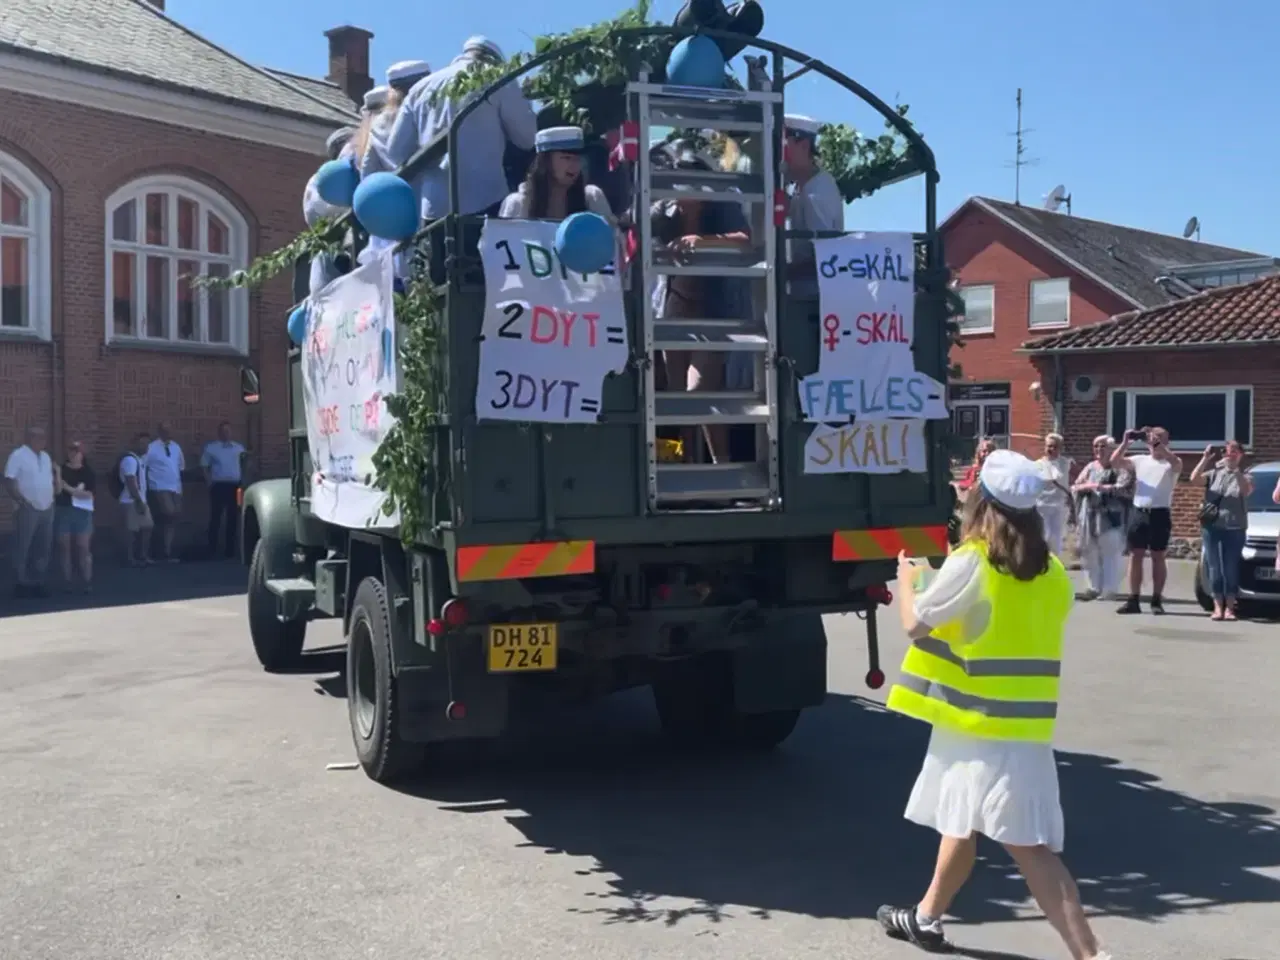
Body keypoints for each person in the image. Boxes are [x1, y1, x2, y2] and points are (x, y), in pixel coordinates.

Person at [877, 449, 1110, 960]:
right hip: (1019, 727)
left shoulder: (972, 562)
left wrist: (910, 579)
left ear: (978, 499)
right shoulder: (1051, 573)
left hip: (978, 726)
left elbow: (917, 625)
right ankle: (925, 918)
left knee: (1028, 848)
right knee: (961, 821)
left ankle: (1093, 956)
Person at [650, 139, 753, 464]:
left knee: (701, 392)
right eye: (677, 179)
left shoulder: (722, 206)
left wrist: (704, 241)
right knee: (679, 396)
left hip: (715, 307)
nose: (684, 186)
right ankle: (691, 476)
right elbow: (636, 234)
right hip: (676, 304)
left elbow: (746, 240)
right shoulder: (662, 211)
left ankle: (722, 468)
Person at [386, 36, 538, 220]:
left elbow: (395, 152)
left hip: (435, 208)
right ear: (495, 60)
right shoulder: (497, 78)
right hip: (486, 201)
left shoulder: (420, 88)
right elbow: (527, 138)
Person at [1110, 426, 1181, 615]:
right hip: (1139, 511)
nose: (1155, 441)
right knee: (1136, 555)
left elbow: (1176, 464)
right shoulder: (1140, 460)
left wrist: (1160, 446)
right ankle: (1133, 599)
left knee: (1158, 556)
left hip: (1160, 513)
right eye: (1153, 437)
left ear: (1167, 441)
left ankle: (1156, 599)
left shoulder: (1170, 463)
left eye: (1160, 438)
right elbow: (1115, 462)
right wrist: (1125, 442)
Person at [781, 114, 845, 293]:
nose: (781, 155)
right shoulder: (802, 186)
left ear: (804, 145)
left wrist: (783, 271)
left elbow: (823, 255)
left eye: (785, 145)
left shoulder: (818, 191)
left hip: (815, 296)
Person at [1190, 440, 1252, 621]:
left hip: (1235, 528)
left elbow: (1245, 491)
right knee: (1214, 566)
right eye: (1227, 452)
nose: (1230, 455)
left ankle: (1230, 608)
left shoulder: (1246, 476)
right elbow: (1194, 480)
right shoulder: (1214, 474)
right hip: (1212, 527)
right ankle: (1217, 606)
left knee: (1230, 567)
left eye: (1234, 452)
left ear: (1241, 455)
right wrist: (1205, 459)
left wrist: (1235, 471)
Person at [498, 126, 614, 220]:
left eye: (577, 159)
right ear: (546, 162)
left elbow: (611, 242)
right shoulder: (518, 204)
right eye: (566, 158)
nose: (574, 165)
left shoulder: (592, 199)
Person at [1071, 435, 1130, 601]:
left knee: (1110, 553)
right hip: (1089, 515)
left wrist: (1100, 487)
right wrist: (1086, 487)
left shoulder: (1120, 467)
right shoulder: (1091, 467)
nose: (1098, 449)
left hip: (1111, 517)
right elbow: (1076, 485)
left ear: (1112, 449)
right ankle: (1093, 586)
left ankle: (1109, 589)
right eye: (1096, 446)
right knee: (1090, 552)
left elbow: (1124, 487)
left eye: (1102, 446)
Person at [4, 425, 55, 598]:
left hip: (47, 507)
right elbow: (9, 480)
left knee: (43, 546)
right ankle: (21, 582)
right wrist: (20, 501)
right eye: (40, 438)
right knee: (23, 545)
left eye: (44, 438)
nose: (43, 441)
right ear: (30, 438)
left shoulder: (46, 457)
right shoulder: (18, 456)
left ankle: (38, 582)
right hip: (28, 508)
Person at [54, 440, 95, 593]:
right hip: (63, 511)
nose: (73, 454)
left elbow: (87, 495)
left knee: (83, 547)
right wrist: (58, 475)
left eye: (76, 451)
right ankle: (67, 581)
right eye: (71, 450)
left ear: (82, 453)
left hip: (82, 513)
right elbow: (57, 492)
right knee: (65, 548)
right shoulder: (62, 469)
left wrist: (68, 488)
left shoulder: (88, 472)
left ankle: (87, 581)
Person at [201, 422, 246, 560]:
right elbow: (204, 465)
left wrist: (243, 481)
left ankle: (230, 550)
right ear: (219, 433)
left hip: (235, 486)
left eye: (228, 431)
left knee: (233, 517)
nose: (226, 433)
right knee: (216, 517)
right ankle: (212, 548)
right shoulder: (212, 448)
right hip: (218, 486)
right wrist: (209, 482)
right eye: (223, 431)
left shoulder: (238, 448)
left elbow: (245, 464)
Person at [145, 423, 184, 564]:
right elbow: (145, 465)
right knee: (169, 513)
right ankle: (156, 549)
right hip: (159, 486)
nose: (168, 433)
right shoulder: (152, 447)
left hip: (175, 487)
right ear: (159, 431)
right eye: (165, 430)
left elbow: (180, 466)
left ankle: (166, 551)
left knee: (173, 518)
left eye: (170, 430)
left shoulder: (175, 446)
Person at [1035, 433, 1075, 557]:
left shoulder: (1066, 463)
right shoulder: (1038, 465)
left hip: (1059, 506)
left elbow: (1074, 480)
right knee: (1044, 537)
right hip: (1041, 505)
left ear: (1060, 448)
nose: (1051, 449)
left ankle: (1055, 565)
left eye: (1055, 447)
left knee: (1056, 539)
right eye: (1049, 446)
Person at [119, 433, 153, 567]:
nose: (145, 447)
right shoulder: (130, 460)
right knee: (131, 532)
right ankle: (130, 558)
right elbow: (130, 480)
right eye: (142, 443)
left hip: (139, 500)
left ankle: (142, 556)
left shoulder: (140, 460)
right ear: (135, 444)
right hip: (131, 501)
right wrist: (138, 500)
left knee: (147, 527)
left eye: (147, 444)